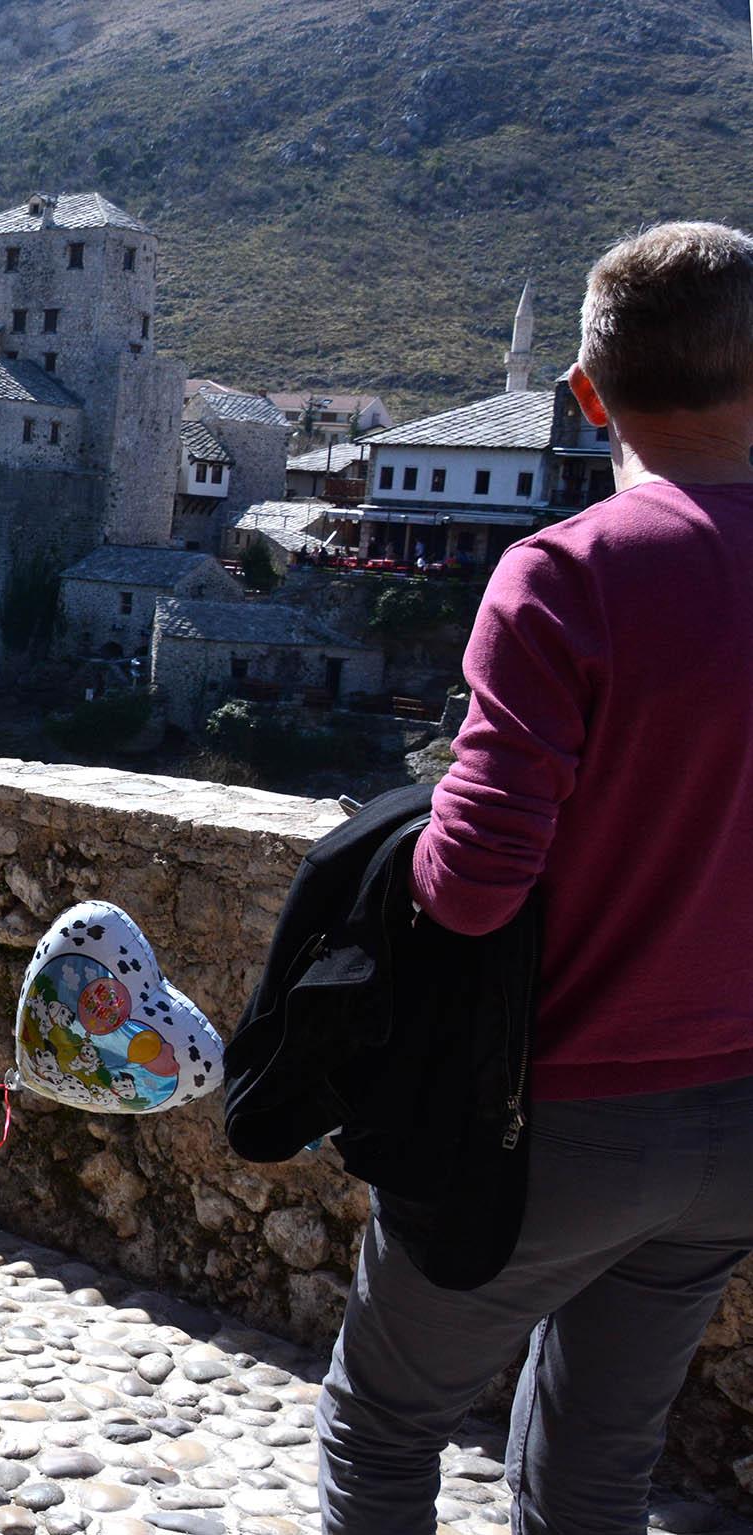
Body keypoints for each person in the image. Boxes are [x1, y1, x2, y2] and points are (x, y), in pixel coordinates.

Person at [316, 222, 753, 1532]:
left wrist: (426, 812)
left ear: (583, 391)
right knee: (591, 1467)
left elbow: (472, 886)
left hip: (550, 1120)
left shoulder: (566, 577)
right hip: (737, 1127)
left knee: (386, 1419)